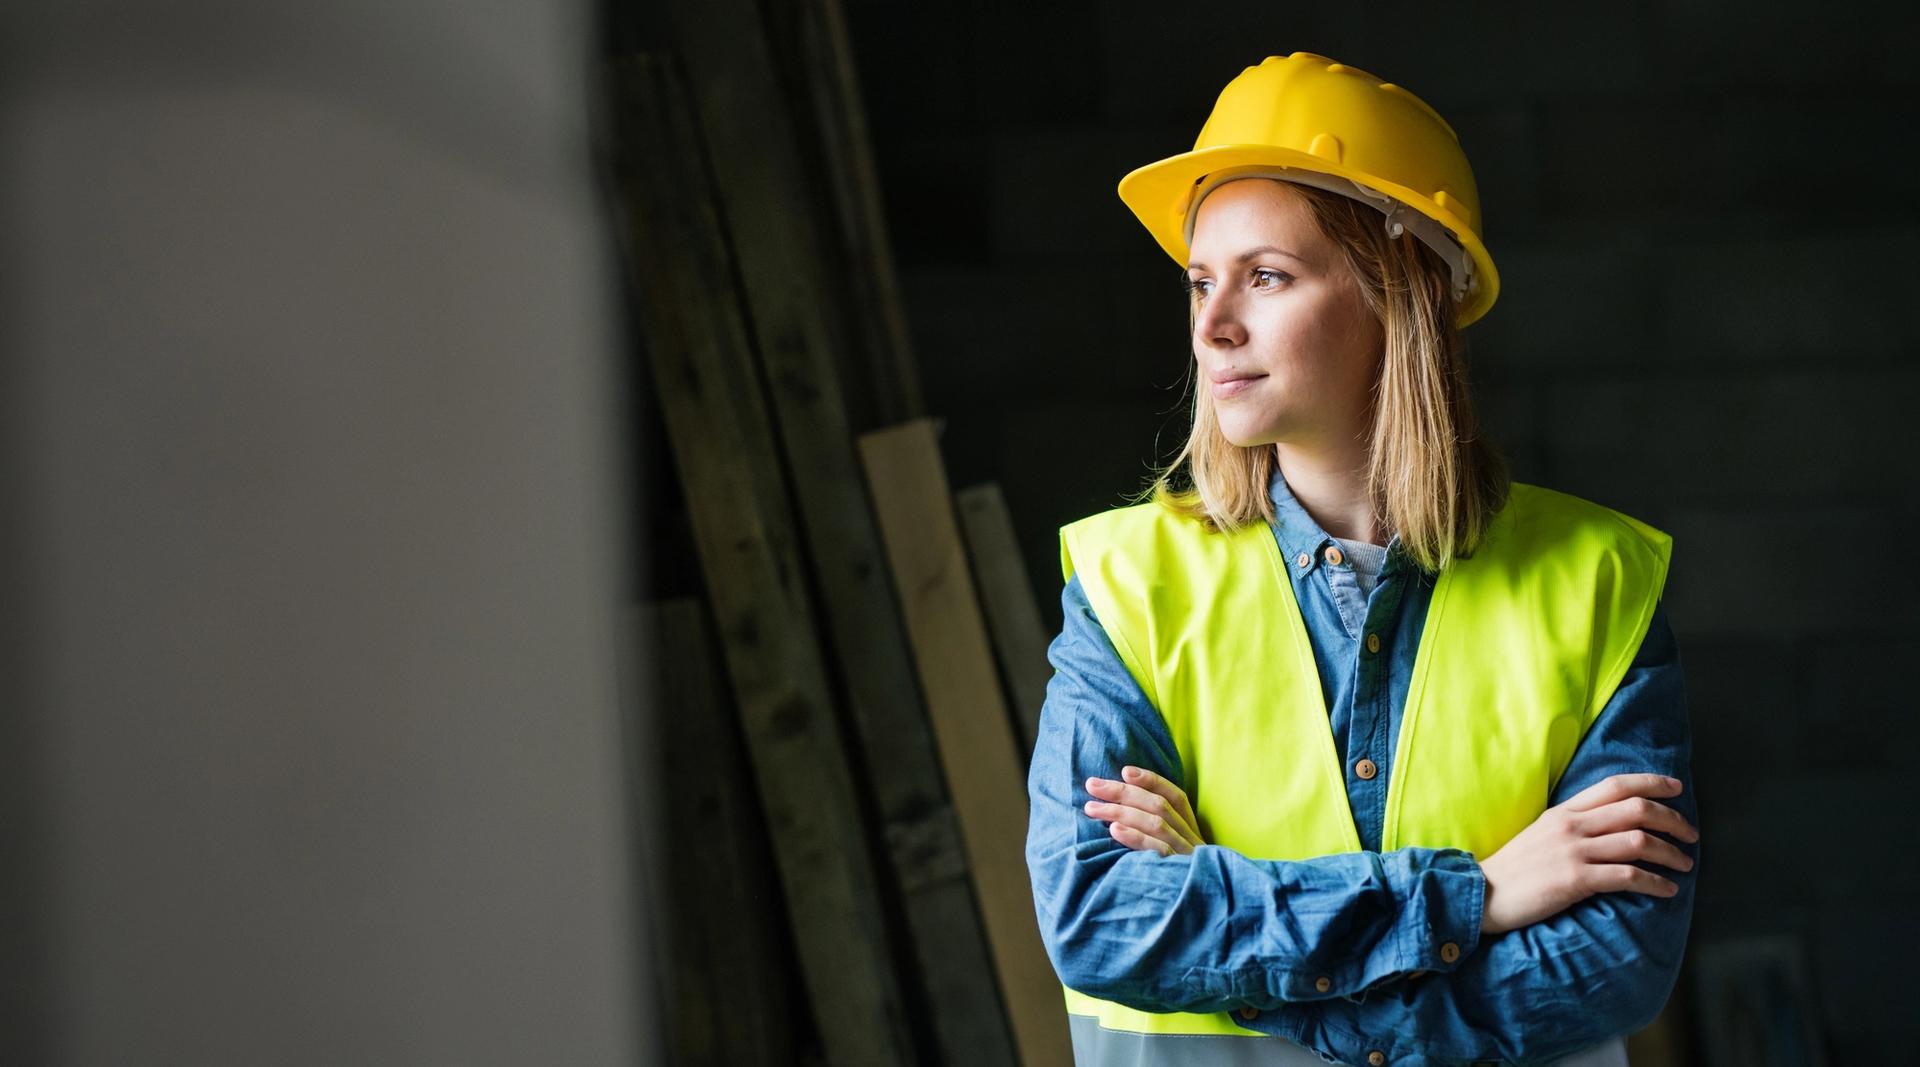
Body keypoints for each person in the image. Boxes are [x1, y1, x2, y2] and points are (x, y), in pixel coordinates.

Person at [1023, 53, 1699, 1067]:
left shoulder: (1599, 583)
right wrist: (1477, 895)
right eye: (1201, 282)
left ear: (1399, 290)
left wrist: (1257, 959)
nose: (1212, 326)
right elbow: (1101, 918)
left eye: (1266, 276)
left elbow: (1615, 961)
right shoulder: (1129, 584)